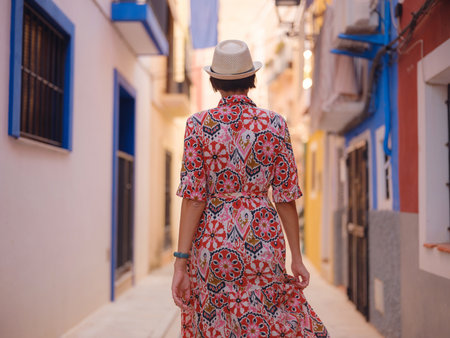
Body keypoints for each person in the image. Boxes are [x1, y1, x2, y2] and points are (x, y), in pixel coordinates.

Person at [171, 40, 329, 337]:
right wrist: (296, 256)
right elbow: (285, 197)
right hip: (263, 238)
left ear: (214, 81)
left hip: (212, 243)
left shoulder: (198, 125)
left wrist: (181, 263)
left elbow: (194, 199)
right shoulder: (275, 124)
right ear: (252, 80)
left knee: (216, 319)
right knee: (262, 319)